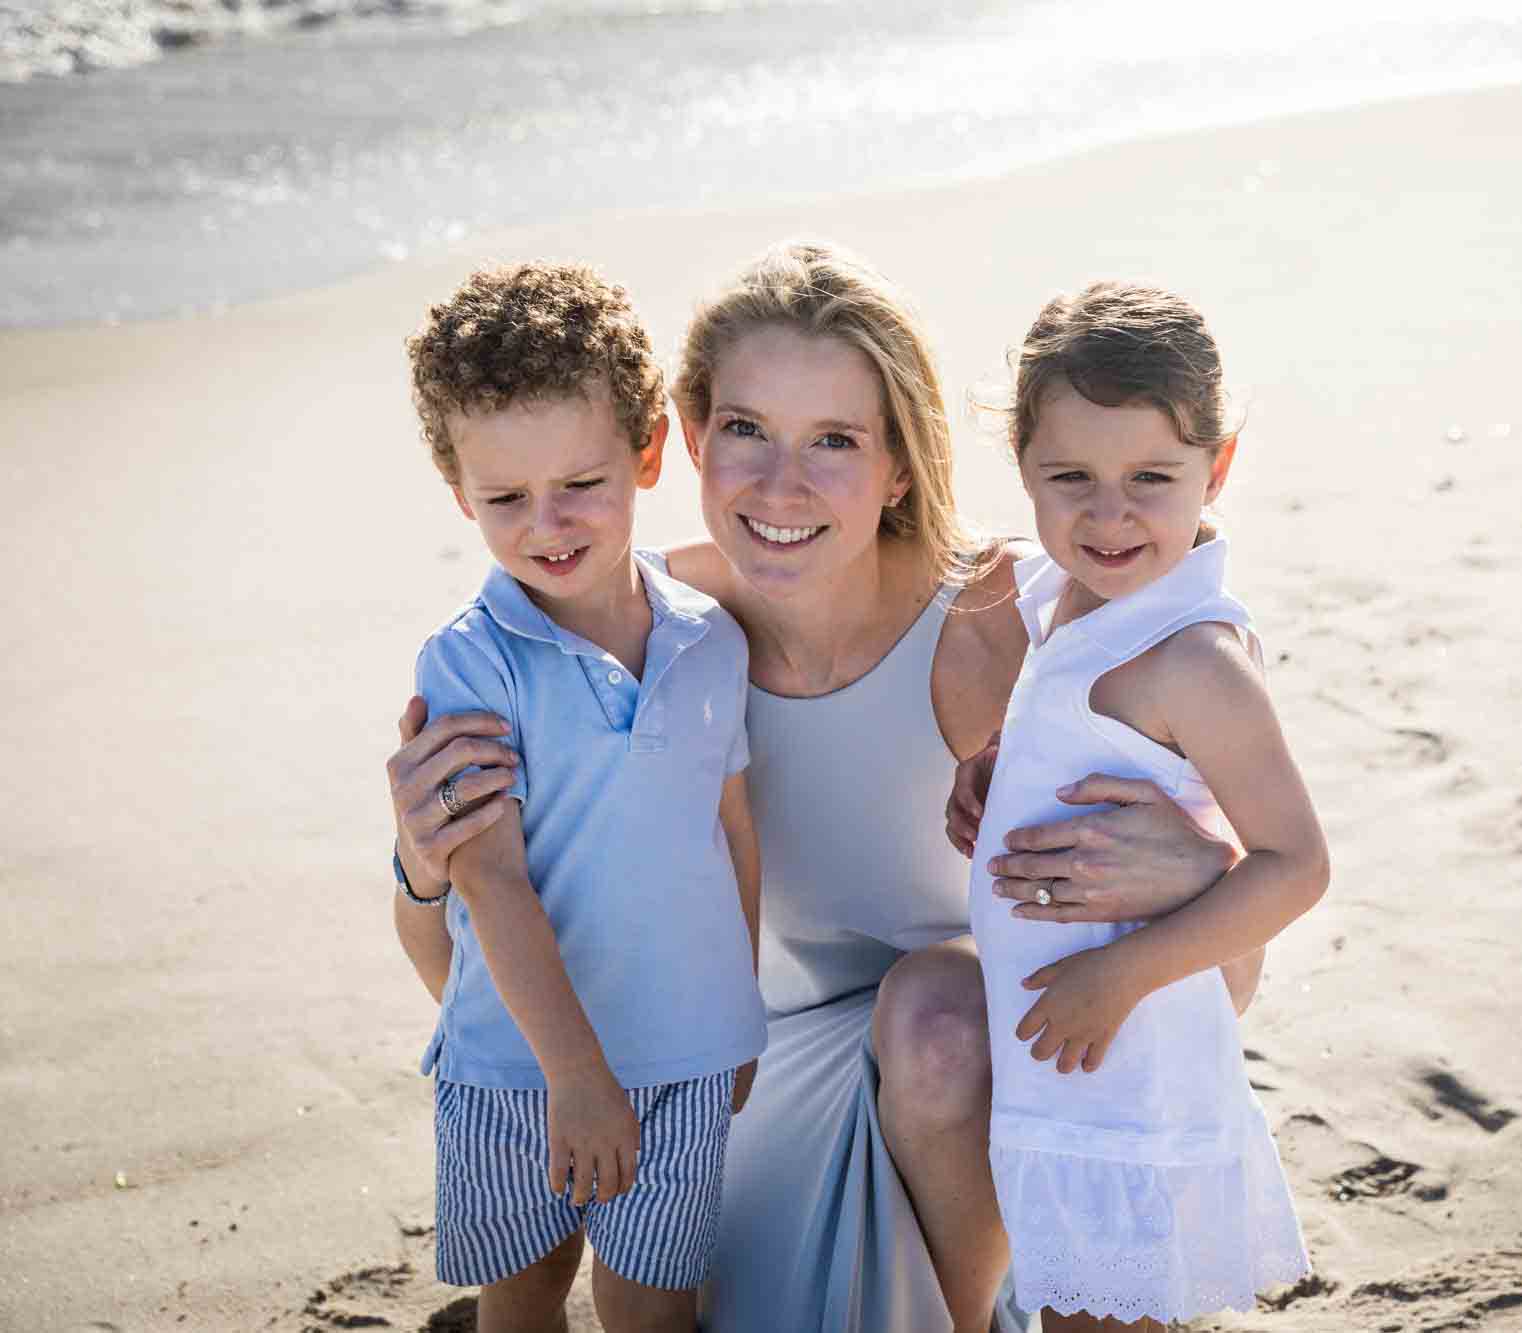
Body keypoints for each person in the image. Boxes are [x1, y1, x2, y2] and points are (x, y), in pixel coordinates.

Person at [385, 241, 1253, 1333]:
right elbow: (466, 970)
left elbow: (1223, 991)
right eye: (746, 429)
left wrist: (1198, 872)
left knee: (937, 1016)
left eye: (834, 441)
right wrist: (425, 873)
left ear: (900, 463)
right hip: (741, 1086)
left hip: (992, 1097)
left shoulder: (1015, 625)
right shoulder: (655, 641)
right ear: (687, 436)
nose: (779, 486)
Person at [393, 262, 766, 1333]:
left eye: (580, 485)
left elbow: (731, 833)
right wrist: (578, 1076)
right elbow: (493, 878)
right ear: (458, 487)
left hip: (685, 1052)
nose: (546, 524)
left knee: (655, 1307)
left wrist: (733, 1020)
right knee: (524, 1300)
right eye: (505, 498)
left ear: (647, 452)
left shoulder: (710, 640)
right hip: (518, 1066)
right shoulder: (470, 666)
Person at [956, 282, 1323, 1330]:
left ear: (1219, 465)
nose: (1106, 516)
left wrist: (1118, 974)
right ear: (1019, 461)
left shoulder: (1193, 658)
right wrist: (994, 757)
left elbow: (1295, 864)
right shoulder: (1060, 594)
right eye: (1067, 476)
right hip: (1060, 1067)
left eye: (1150, 479)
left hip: (1133, 1063)